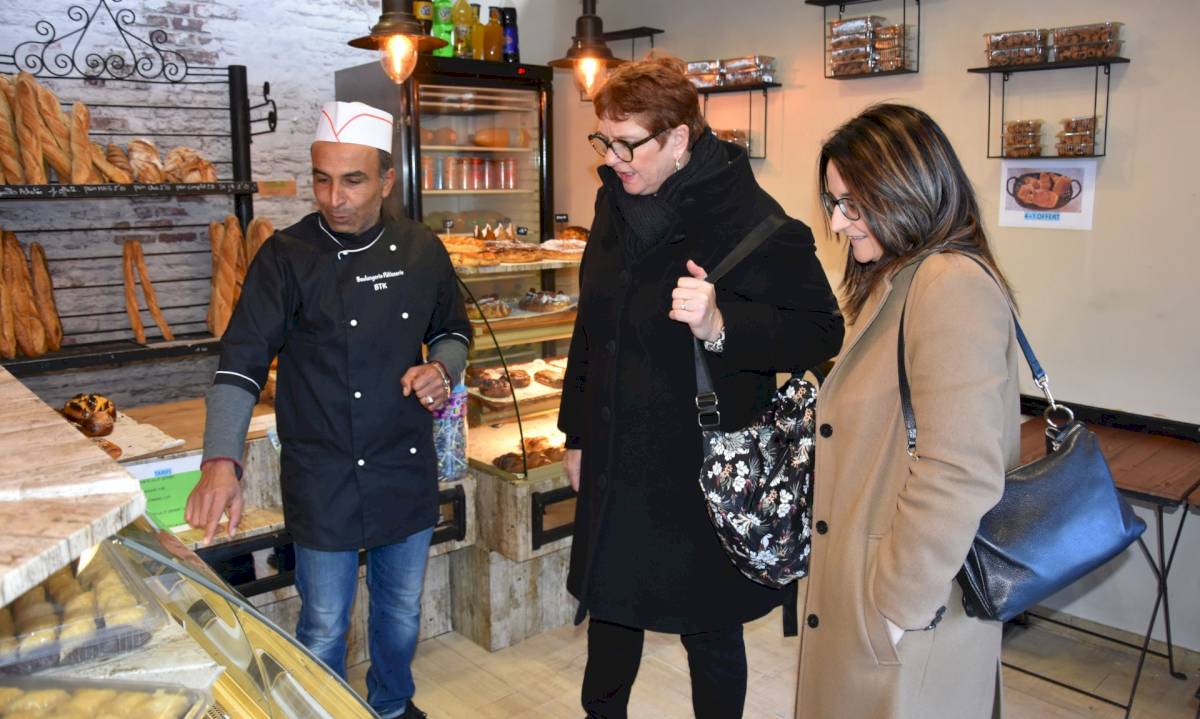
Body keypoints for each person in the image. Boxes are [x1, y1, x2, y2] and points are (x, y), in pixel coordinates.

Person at [558, 55, 843, 719]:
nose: (614, 158)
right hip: (614, 454)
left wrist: (723, 323)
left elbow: (819, 332)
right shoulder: (614, 199)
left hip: (699, 468)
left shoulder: (751, 218)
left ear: (680, 138)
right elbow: (591, 324)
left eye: (627, 143)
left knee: (708, 631)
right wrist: (577, 433)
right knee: (611, 618)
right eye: (605, 139)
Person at [184, 100, 470, 719]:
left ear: (387, 181)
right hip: (324, 471)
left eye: (353, 180)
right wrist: (220, 459)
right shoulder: (285, 257)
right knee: (321, 624)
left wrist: (442, 370)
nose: (333, 197)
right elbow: (238, 365)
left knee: (400, 613)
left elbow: (454, 332)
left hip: (402, 460)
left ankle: (392, 706)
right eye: (321, 178)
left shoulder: (422, 249)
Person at [795, 103, 1020, 719]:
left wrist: (895, 609)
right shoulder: (901, 279)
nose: (839, 224)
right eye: (834, 203)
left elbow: (960, 469)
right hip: (873, 599)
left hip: (909, 617)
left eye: (853, 205)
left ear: (905, 190)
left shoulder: (949, 284)